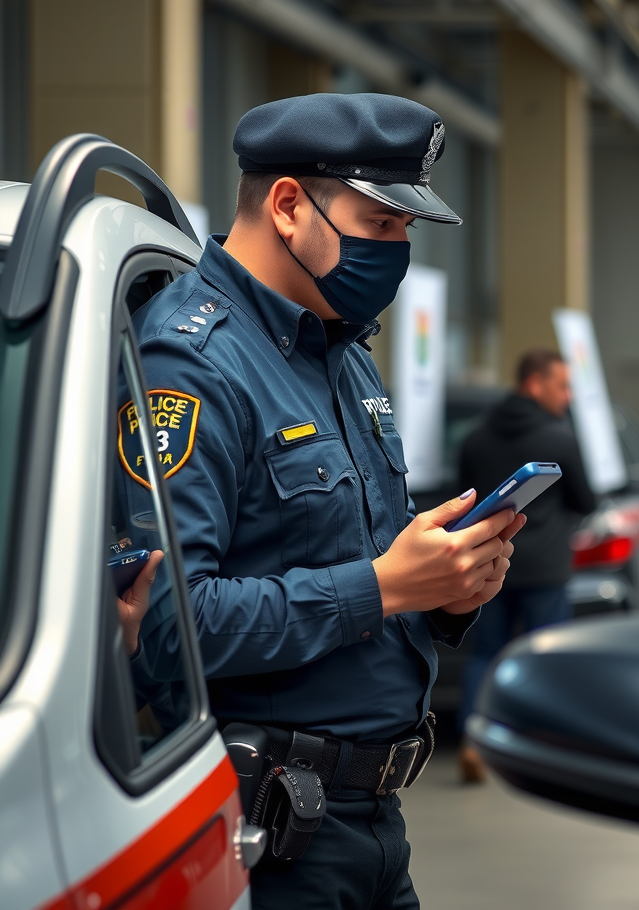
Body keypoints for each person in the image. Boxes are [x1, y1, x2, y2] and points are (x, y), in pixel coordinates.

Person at [124, 93, 525, 910]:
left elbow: (360, 560)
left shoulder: (342, 351)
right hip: (268, 836)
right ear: (287, 206)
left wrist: (444, 589)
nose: (397, 249)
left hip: (372, 823)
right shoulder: (191, 363)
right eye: (380, 223)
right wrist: (384, 587)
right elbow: (170, 627)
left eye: (405, 228)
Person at [456, 349, 596, 782]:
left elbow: (464, 499)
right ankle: (547, 746)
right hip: (546, 569)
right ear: (536, 383)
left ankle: (473, 742)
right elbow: (586, 502)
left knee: (486, 653)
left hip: (490, 561)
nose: (568, 396)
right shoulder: (559, 438)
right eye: (562, 386)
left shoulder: (476, 436)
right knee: (548, 656)